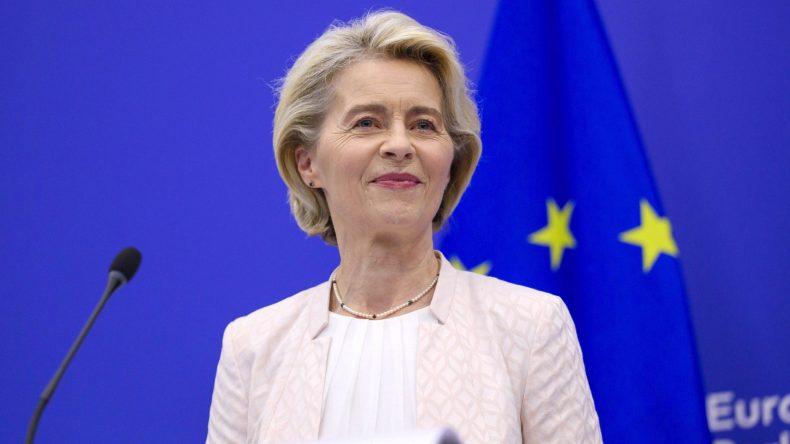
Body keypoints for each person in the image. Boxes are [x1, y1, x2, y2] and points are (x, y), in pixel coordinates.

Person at [207, 10, 601, 444]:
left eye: (423, 125)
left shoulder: (529, 327)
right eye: (367, 123)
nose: (399, 145)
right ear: (307, 163)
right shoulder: (254, 347)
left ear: (451, 163)